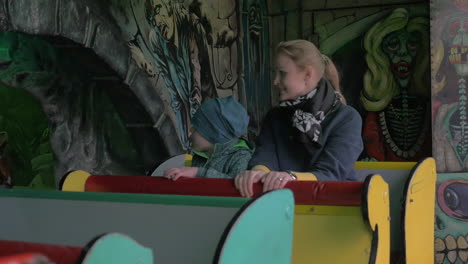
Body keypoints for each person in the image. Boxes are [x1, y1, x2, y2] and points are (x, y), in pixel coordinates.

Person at [235, 39, 363, 197]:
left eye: (282, 73)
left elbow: (331, 173)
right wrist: (256, 174)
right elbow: (264, 157)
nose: (275, 81)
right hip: (284, 204)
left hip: (335, 206)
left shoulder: (347, 119)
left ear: (307, 75)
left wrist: (291, 178)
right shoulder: (275, 117)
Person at [163, 96, 253, 180]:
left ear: (213, 133)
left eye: (195, 129)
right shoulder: (198, 156)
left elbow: (237, 186)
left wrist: (197, 173)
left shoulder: (241, 157)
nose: (189, 134)